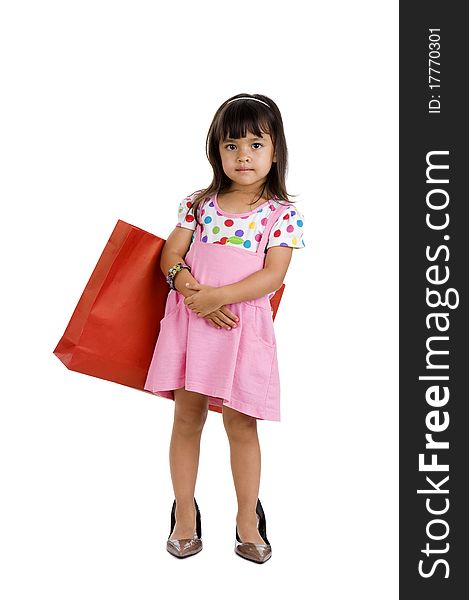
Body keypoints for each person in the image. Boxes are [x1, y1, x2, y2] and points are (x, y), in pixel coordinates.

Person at [144, 93, 305, 563]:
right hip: (191, 324)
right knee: (187, 417)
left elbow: (273, 275)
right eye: (232, 145)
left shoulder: (280, 213)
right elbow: (170, 256)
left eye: (256, 145)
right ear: (216, 150)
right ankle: (184, 514)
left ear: (276, 152)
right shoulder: (199, 205)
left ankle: (247, 519)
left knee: (241, 423)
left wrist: (219, 297)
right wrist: (191, 288)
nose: (244, 156)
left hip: (241, 327)